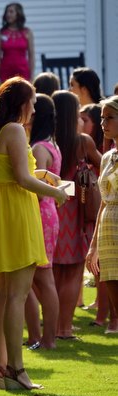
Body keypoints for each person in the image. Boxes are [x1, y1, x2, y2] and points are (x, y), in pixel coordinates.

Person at [0, 78, 68, 390]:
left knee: (3, 294)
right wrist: (57, 194)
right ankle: (15, 367)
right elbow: (23, 180)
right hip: (15, 212)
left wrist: (42, 174)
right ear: (21, 103)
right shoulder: (13, 129)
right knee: (17, 293)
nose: (36, 106)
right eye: (33, 100)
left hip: (1, 212)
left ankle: (2, 368)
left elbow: (13, 173)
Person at [51, 90, 101, 339]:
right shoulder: (83, 141)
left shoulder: (46, 141)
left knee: (56, 272)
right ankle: (64, 329)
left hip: (53, 210)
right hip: (77, 212)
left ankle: (55, 327)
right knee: (73, 273)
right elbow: (105, 165)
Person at [25, 94, 61, 350]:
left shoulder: (39, 147)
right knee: (41, 280)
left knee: (44, 280)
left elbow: (37, 189)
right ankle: (44, 338)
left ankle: (48, 339)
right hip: (48, 213)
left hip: (41, 213)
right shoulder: (51, 143)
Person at [87, 96, 118, 334]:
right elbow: (102, 204)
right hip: (108, 230)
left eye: (110, 118)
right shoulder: (107, 156)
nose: (103, 123)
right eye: (101, 118)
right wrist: (94, 245)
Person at [0, 3, 34, 84]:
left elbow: (31, 56)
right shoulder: (1, 33)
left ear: (18, 14)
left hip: (22, 72)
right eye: (7, 12)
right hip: (5, 72)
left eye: (11, 12)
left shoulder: (27, 33)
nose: (8, 15)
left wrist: (32, 77)